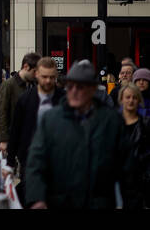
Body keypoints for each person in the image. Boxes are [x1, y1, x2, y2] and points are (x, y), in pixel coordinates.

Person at [25, 59, 127, 209]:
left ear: (93, 90)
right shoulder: (51, 119)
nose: (73, 91)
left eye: (80, 87)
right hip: (60, 202)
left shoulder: (111, 121)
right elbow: (36, 162)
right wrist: (37, 198)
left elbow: (127, 170)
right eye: (70, 86)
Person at [7, 56, 61, 189]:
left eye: (52, 77)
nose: (48, 81)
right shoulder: (26, 100)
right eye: (44, 77)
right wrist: (10, 162)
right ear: (36, 74)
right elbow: (16, 130)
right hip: (30, 157)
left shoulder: (63, 99)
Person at [0, 52, 38, 156]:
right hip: (13, 136)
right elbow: (1, 113)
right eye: (34, 71)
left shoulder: (34, 85)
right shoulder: (9, 85)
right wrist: (4, 139)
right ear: (26, 67)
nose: (36, 75)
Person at [117, 83, 150, 209]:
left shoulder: (146, 124)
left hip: (140, 180)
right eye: (128, 97)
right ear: (121, 99)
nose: (131, 100)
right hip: (117, 180)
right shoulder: (113, 123)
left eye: (134, 97)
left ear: (139, 100)